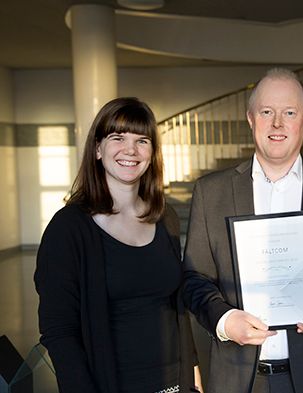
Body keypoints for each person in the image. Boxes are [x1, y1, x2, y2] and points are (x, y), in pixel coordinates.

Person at [182, 68, 303, 393]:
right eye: (267, 112)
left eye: (289, 112)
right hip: (239, 380)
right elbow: (194, 278)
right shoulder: (212, 193)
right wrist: (225, 321)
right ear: (251, 119)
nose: (277, 123)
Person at [35, 97, 201, 393]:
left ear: (152, 153)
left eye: (142, 140)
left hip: (174, 383)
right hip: (110, 384)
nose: (131, 150)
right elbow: (59, 332)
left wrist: (195, 378)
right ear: (98, 149)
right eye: (118, 137)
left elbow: (176, 312)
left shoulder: (165, 217)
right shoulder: (69, 228)